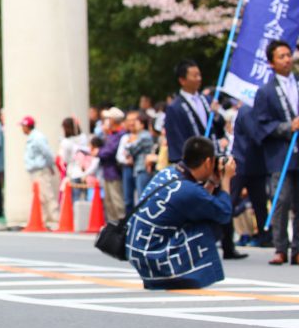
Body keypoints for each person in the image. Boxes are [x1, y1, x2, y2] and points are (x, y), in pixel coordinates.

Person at [127, 137, 233, 290]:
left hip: (138, 250)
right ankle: (175, 277)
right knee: (210, 224)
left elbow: (199, 201)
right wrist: (226, 180)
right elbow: (224, 213)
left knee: (203, 213)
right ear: (208, 162)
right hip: (153, 256)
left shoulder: (168, 173)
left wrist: (212, 183)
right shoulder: (188, 190)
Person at [253, 39, 299, 265]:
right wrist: (287, 127)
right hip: (281, 153)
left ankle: (298, 248)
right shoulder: (265, 92)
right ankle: (280, 246)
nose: (287, 59)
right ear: (271, 63)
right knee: (282, 199)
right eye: (281, 56)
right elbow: (261, 125)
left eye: (288, 55)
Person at [164, 60, 222, 163]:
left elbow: (219, 129)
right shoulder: (175, 107)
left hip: (212, 158)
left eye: (199, 75)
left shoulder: (207, 100)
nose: (199, 79)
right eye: (195, 76)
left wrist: (217, 115)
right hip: (193, 162)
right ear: (182, 80)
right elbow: (176, 139)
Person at [230, 103, 270, 248]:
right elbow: (255, 134)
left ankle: (264, 235)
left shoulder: (256, 110)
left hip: (255, 164)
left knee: (259, 203)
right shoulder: (247, 110)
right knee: (231, 201)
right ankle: (226, 238)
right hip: (242, 162)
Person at [20, 116, 58, 228]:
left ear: (27, 126)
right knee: (40, 197)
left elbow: (47, 152)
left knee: (48, 195)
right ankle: (42, 220)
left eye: (23, 126)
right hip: (35, 171)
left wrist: (50, 165)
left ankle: (56, 220)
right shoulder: (32, 137)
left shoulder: (37, 137)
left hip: (40, 170)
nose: (22, 129)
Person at [98, 107, 126, 222]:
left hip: (114, 171)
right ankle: (112, 227)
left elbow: (109, 151)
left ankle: (120, 226)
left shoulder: (120, 134)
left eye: (108, 118)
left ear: (113, 120)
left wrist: (98, 152)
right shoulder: (110, 134)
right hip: (107, 171)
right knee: (108, 202)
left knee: (116, 200)